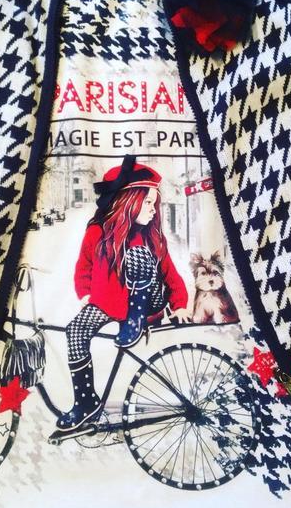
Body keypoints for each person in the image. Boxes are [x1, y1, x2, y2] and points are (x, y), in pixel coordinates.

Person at [54, 154, 190, 433]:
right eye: (148, 203)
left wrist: (180, 304)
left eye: (154, 203)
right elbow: (84, 265)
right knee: (75, 331)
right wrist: (85, 294)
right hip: (108, 303)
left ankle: (134, 320)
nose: (153, 210)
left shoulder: (151, 237)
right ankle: (86, 401)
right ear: (129, 201)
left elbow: (171, 274)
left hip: (146, 303)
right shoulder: (97, 232)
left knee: (138, 254)